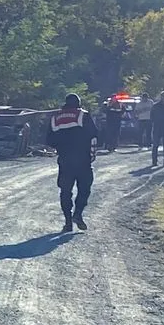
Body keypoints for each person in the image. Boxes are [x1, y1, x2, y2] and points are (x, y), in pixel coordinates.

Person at [49, 93, 98, 232]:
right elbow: (94, 136)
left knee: (65, 191)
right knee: (85, 189)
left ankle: (68, 221)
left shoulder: (56, 117)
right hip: (83, 160)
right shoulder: (83, 115)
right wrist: (92, 155)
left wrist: (61, 146)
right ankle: (78, 214)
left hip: (65, 160)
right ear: (78, 103)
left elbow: (50, 140)